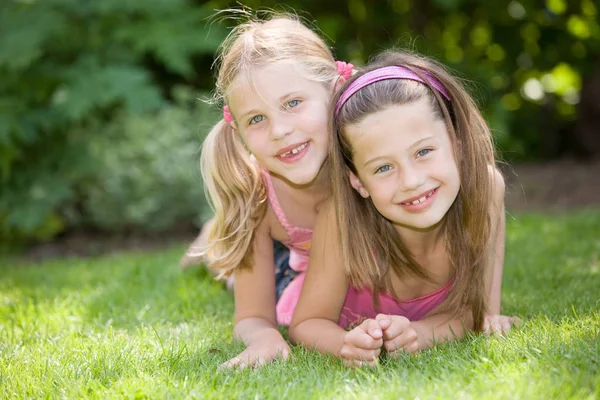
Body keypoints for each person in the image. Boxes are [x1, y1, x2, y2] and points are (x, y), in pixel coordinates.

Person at [289, 51, 519, 367]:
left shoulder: (485, 190)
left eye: (423, 151)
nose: (411, 181)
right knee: (276, 275)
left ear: (458, 142)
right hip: (298, 275)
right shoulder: (342, 216)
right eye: (383, 168)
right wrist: (345, 344)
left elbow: (477, 313)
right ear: (358, 182)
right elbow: (306, 323)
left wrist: (418, 334)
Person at [186, 14, 352, 369]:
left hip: (341, 272)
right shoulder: (259, 197)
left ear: (335, 88)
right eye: (257, 119)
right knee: (227, 269)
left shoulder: (374, 163)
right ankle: (209, 242)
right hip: (287, 265)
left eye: (293, 103)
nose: (279, 131)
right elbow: (252, 315)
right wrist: (265, 337)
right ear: (239, 129)